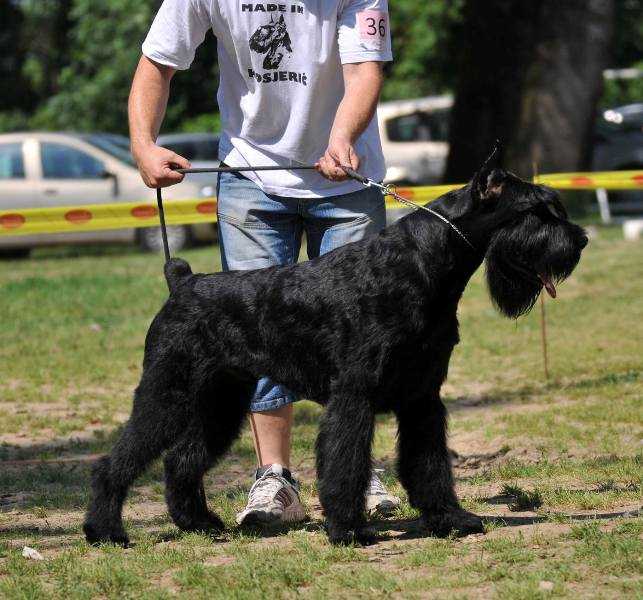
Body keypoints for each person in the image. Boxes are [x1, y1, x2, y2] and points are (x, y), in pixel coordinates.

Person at [129, 0, 400, 526]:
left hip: (344, 178)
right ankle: (274, 479)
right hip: (250, 179)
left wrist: (342, 138)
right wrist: (143, 146)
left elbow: (365, 70)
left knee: (358, 341)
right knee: (256, 336)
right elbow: (156, 62)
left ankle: (356, 472)